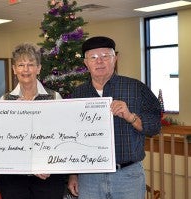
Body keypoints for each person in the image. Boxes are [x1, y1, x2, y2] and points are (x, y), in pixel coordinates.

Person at [67, 36, 161, 199]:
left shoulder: (136, 88)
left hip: (127, 176)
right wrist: (73, 174)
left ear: (115, 58)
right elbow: (72, 136)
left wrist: (131, 117)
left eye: (105, 56)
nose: (99, 61)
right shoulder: (78, 94)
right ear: (86, 63)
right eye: (93, 57)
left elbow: (155, 126)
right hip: (89, 178)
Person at [0, 43, 66, 199]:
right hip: (14, 178)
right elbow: (1, 139)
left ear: (39, 68)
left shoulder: (55, 98)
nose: (26, 70)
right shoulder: (5, 100)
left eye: (31, 65)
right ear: (14, 69)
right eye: (21, 65)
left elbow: (62, 136)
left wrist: (49, 165)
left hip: (47, 175)